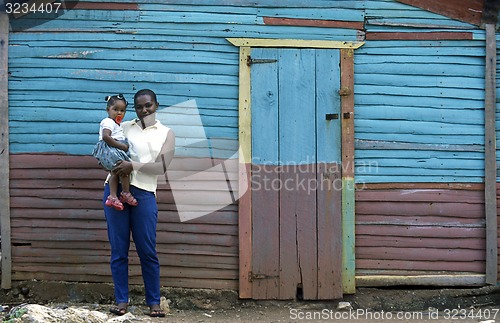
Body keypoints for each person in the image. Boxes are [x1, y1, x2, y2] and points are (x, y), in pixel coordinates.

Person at [104, 89, 175, 318]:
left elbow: (161, 167)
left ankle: (154, 302)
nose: (144, 110)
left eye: (148, 105)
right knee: (119, 250)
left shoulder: (167, 133)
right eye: (139, 106)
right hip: (116, 191)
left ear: (156, 105)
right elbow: (108, 147)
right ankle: (121, 301)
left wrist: (132, 166)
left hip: (144, 194)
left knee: (147, 251)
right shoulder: (125, 127)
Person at [92, 94, 138, 211]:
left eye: (122, 110)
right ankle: (125, 193)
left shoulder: (116, 123)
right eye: (115, 109)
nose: (119, 113)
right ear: (108, 110)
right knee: (122, 169)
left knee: (115, 172)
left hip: (112, 148)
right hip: (110, 148)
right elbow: (106, 137)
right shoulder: (108, 122)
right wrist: (121, 146)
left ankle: (113, 196)